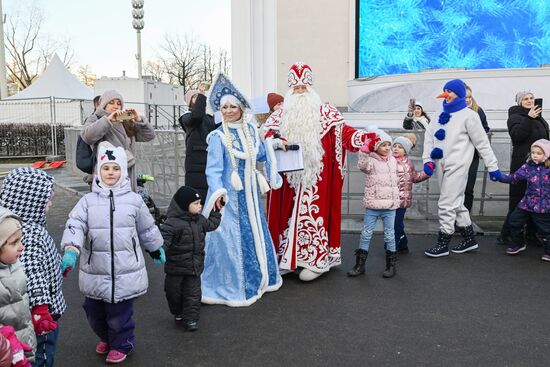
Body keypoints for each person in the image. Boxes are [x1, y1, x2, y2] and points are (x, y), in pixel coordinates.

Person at [60, 144, 165, 364]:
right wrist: (71, 248)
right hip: (95, 270)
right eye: (106, 168)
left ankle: (122, 343)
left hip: (125, 270)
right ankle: (107, 337)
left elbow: (147, 227)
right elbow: (75, 225)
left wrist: (155, 247)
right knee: (94, 312)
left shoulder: (134, 201)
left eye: (115, 168)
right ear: (98, 171)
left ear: (123, 172)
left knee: (119, 315)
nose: (110, 173)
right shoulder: (87, 202)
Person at [264, 62, 369, 281]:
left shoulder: (326, 113)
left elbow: (345, 133)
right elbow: (265, 136)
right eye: (296, 88)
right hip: (288, 179)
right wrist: (275, 140)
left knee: (314, 216)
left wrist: (368, 139)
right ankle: (287, 259)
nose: (300, 92)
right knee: (285, 216)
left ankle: (315, 261)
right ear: (290, 91)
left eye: (304, 88)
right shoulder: (280, 115)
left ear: (311, 90)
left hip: (316, 178)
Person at [201, 73, 283, 306]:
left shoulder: (249, 132)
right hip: (229, 200)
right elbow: (213, 170)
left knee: (255, 233)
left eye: (232, 106)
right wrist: (217, 194)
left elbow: (258, 154)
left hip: (251, 199)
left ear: (240, 108)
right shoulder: (217, 137)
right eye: (224, 107)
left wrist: (274, 144)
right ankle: (233, 285)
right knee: (229, 242)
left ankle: (260, 279)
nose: (227, 110)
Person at [423, 79, 501, 257]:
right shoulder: (437, 114)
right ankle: (469, 239)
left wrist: (493, 167)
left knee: (446, 203)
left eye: (450, 91)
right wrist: (427, 160)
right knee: (456, 202)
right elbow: (429, 138)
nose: (446, 94)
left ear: (458, 94)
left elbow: (482, 144)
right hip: (440, 164)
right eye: (445, 90)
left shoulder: (469, 115)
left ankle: (443, 242)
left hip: (458, 165)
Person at [0, 168, 66, 367]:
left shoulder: (16, 229)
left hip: (34, 311)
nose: (50, 204)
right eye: (47, 200)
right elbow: (34, 273)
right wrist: (41, 308)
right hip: (42, 314)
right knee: (43, 353)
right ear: (30, 199)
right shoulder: (29, 234)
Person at [161, 186, 221, 331]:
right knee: (173, 293)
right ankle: (178, 311)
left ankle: (191, 319)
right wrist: (159, 251)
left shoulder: (200, 220)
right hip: (175, 268)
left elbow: (212, 225)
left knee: (193, 295)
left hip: (194, 268)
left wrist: (217, 211)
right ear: (184, 205)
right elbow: (163, 241)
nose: (200, 206)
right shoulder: (171, 223)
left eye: (200, 202)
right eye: (196, 203)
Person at [347, 130, 399, 278]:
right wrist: (364, 151)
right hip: (373, 205)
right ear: (376, 146)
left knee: (390, 235)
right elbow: (362, 166)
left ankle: (391, 266)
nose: (387, 148)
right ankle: (360, 265)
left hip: (390, 206)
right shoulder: (371, 160)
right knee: (366, 234)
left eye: (389, 144)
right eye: (383, 145)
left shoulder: (393, 160)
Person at [81, 89, 156, 192]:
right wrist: (108, 121)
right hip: (107, 173)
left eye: (119, 103)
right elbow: (87, 136)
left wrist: (139, 119)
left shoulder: (126, 121)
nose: (115, 106)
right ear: (104, 104)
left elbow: (149, 135)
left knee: (127, 205)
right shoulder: (96, 118)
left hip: (128, 172)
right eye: (111, 103)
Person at [499, 91, 549, 245]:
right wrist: (529, 118)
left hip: (540, 166)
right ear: (519, 102)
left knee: (537, 199)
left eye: (531, 98)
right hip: (523, 164)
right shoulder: (515, 116)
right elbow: (517, 136)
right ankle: (506, 235)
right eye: (525, 99)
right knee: (518, 199)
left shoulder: (539, 117)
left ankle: (531, 235)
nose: (529, 101)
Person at [495, 139, 550, 259]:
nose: (535, 155)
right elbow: (515, 178)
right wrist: (500, 177)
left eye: (539, 153)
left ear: (546, 155)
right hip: (527, 203)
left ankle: (548, 251)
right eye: (533, 152)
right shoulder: (528, 167)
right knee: (514, 221)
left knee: (545, 230)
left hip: (543, 206)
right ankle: (518, 243)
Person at [0, 207, 36, 367]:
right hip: (6, 353)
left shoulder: (14, 264)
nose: (22, 247)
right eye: (14, 243)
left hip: (23, 343)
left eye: (20, 240)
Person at [179, 83, 218, 203]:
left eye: (198, 96)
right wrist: (202, 94)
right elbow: (197, 116)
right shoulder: (186, 117)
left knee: (211, 195)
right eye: (194, 97)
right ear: (189, 102)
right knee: (198, 197)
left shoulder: (208, 117)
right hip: (196, 164)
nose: (199, 98)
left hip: (210, 159)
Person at [392, 133, 429, 254]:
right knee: (394, 224)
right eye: (395, 146)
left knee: (396, 224)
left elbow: (416, 177)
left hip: (403, 201)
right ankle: (402, 245)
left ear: (406, 151)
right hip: (390, 199)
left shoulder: (409, 164)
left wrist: (427, 172)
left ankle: (393, 248)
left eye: (400, 147)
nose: (396, 148)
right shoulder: (388, 162)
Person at [463, 85, 490, 212]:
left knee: (468, 188)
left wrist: (475, 136)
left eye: (469, 97)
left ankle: (466, 218)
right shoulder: (452, 112)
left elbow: (486, 128)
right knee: (455, 188)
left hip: (472, 154)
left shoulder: (478, 111)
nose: (468, 100)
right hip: (456, 154)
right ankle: (453, 218)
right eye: (464, 97)